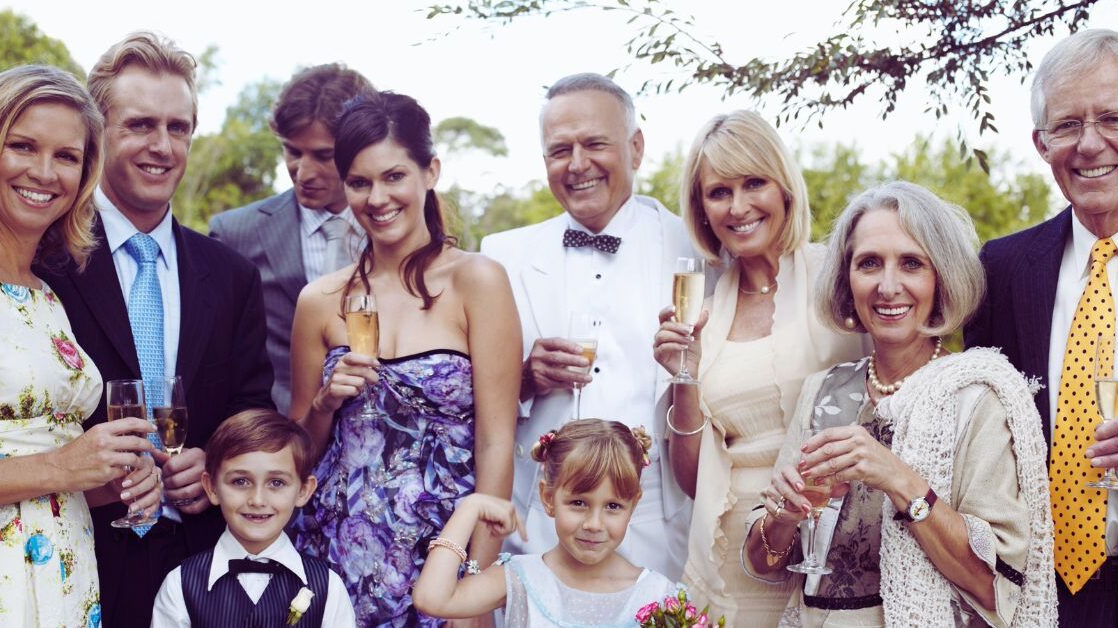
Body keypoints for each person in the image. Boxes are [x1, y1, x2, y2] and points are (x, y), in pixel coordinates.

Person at [37, 31, 275, 627]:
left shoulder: (232, 274)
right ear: (98, 133)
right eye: (140, 124)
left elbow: (250, 407)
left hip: (201, 562)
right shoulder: (41, 260)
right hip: (70, 554)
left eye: (178, 128)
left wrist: (214, 461)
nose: (162, 146)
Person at [744, 181, 1056, 626]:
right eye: (869, 263)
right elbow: (763, 564)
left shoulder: (977, 398)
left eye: (911, 263)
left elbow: (995, 585)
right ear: (846, 279)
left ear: (941, 277)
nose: (888, 286)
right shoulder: (822, 391)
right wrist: (782, 518)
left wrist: (900, 480)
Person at [965, 29, 1118, 628]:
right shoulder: (1002, 270)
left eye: (1114, 117)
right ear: (1041, 143)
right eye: (1067, 125)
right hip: (1035, 601)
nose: (1090, 145)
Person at [288, 90, 520, 626]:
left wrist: (473, 586)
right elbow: (296, 451)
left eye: (394, 176)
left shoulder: (477, 282)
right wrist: (324, 402)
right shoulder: (319, 301)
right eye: (360, 182)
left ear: (430, 171)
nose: (377, 197)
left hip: (442, 560)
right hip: (333, 555)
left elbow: (496, 441)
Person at [650, 110, 864, 623]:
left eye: (753, 183)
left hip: (838, 546)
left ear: (784, 188)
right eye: (719, 192)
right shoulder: (702, 305)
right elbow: (693, 481)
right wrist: (685, 375)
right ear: (701, 208)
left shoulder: (840, 278)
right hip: (735, 555)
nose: (738, 206)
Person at [481, 72, 696, 581]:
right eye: (560, 150)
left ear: (636, 148)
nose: (577, 165)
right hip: (538, 527)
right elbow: (470, 403)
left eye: (594, 144)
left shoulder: (695, 248)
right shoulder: (500, 258)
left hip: (654, 531)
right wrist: (527, 379)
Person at [0, 63, 162, 628]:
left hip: (63, 576)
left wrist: (111, 481)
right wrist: (64, 467)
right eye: (22, 146)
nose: (45, 172)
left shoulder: (46, 292)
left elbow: (44, 472)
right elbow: (49, 468)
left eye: (67, 156)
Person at [211, 64, 373, 416]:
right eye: (293, 151)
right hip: (276, 444)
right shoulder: (234, 233)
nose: (303, 171)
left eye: (323, 155)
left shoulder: (396, 229)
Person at [414, 419, 679, 625]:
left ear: (632, 505)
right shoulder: (522, 578)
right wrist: (470, 507)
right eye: (579, 503)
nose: (594, 524)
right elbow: (432, 599)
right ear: (548, 498)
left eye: (613, 506)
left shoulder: (657, 595)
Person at [151, 409, 355, 627]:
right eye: (240, 481)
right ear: (211, 487)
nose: (257, 500)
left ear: (304, 490)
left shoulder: (328, 587)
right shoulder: (180, 585)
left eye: (276, 483)